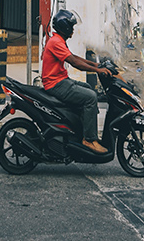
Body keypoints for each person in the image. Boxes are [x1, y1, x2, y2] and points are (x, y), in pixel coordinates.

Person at [41, 10, 109, 154]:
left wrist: (96, 65)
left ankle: (81, 129)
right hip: (55, 84)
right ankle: (89, 139)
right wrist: (97, 71)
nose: (72, 29)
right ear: (64, 27)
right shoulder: (55, 42)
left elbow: (74, 57)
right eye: (71, 26)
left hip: (61, 80)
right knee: (90, 97)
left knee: (88, 88)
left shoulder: (58, 40)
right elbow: (74, 63)